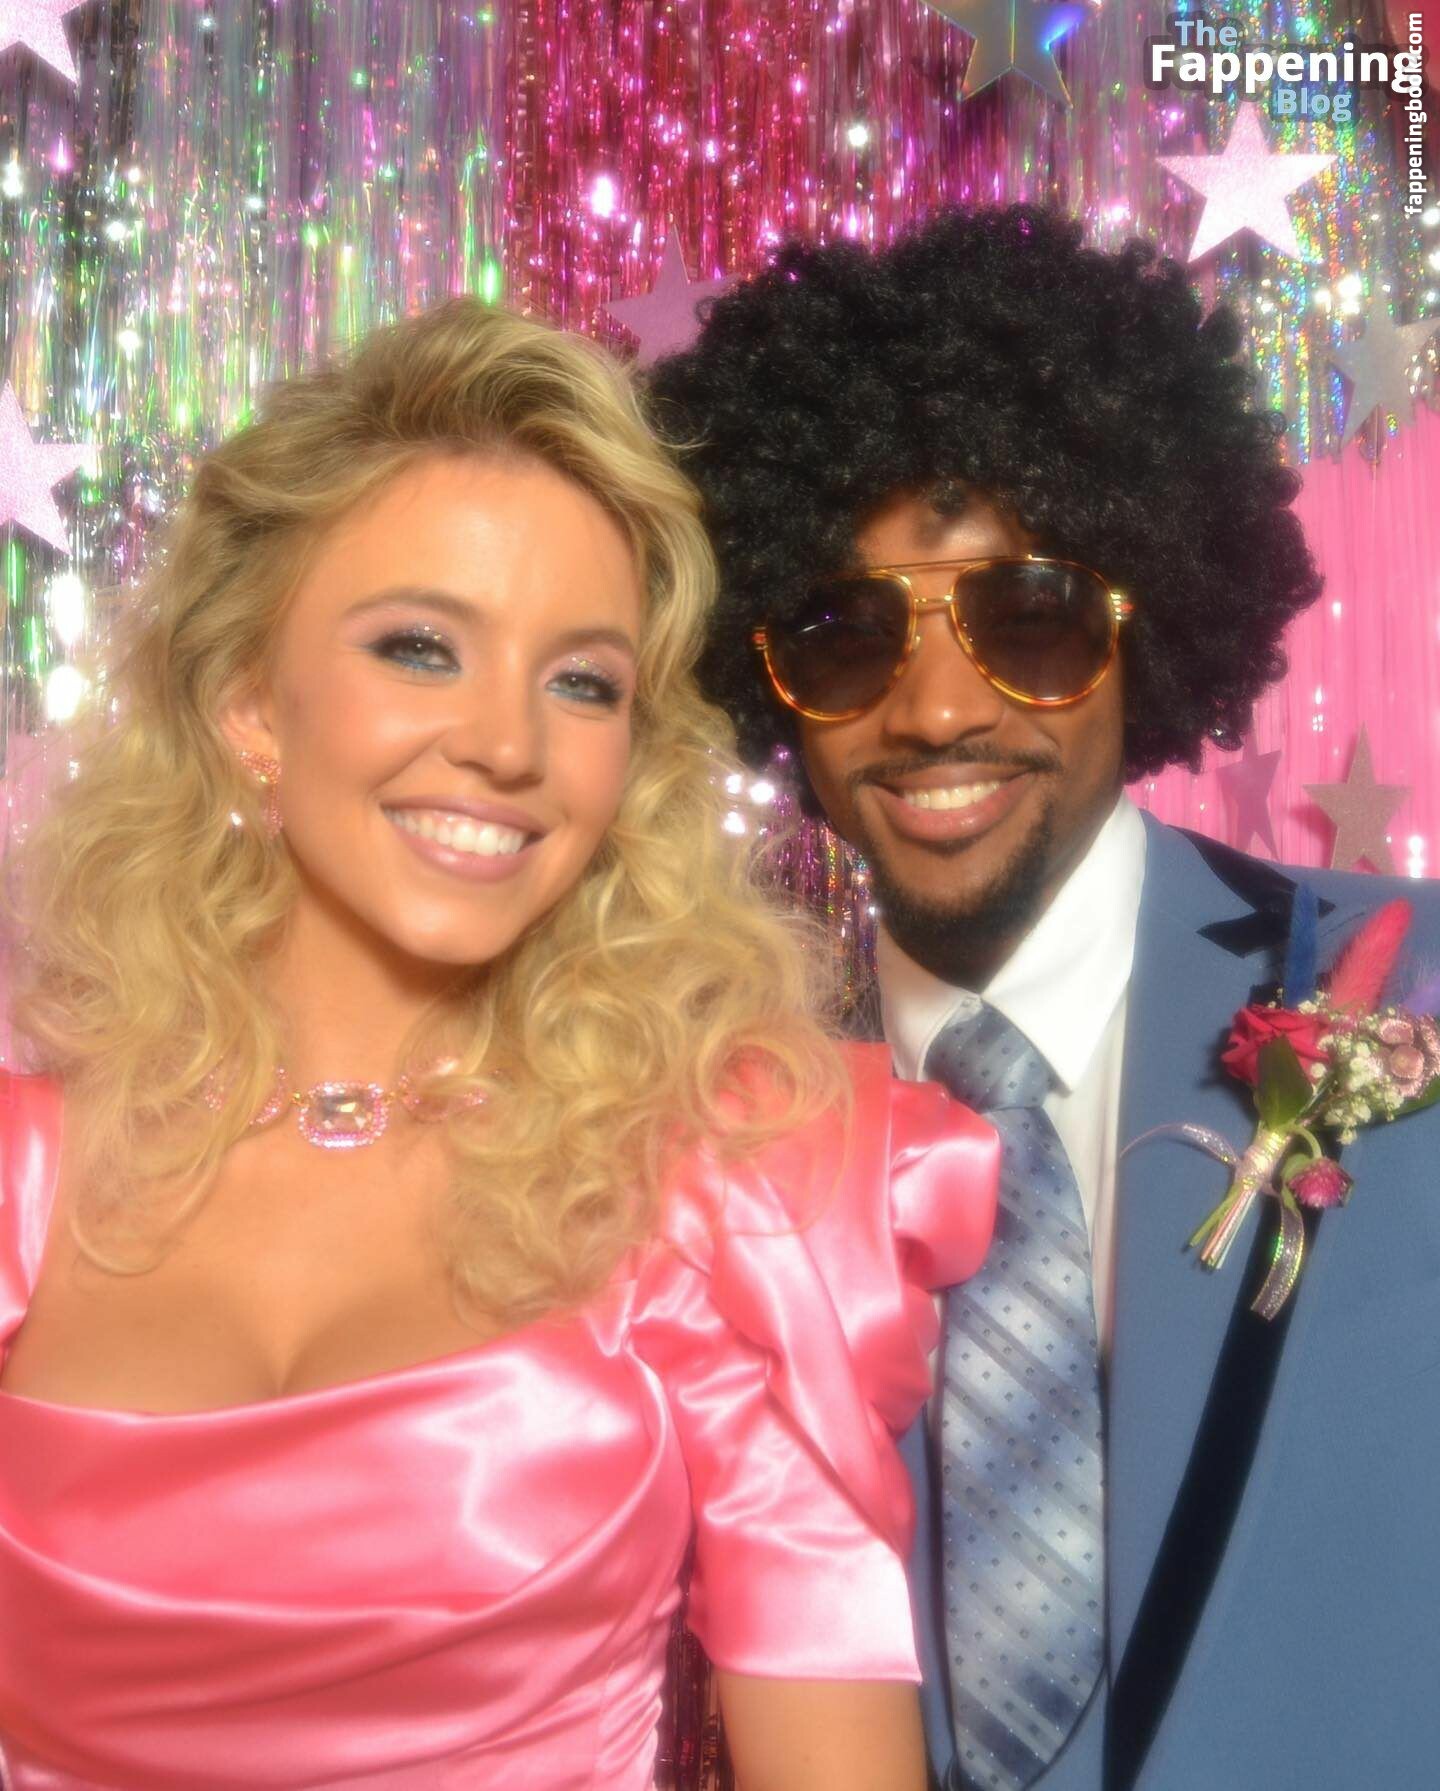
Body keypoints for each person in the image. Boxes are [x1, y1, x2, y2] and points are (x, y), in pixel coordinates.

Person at [0, 299, 1000, 1790]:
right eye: (421, 648)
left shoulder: (732, 1197)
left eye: (582, 681)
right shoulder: (23, 1184)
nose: (511, 747)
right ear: (250, 703)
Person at [647, 203, 1440, 1791]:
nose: (937, 710)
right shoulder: (701, 1133)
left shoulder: (1411, 983)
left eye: (1029, 618)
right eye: (845, 636)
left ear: (1153, 625)